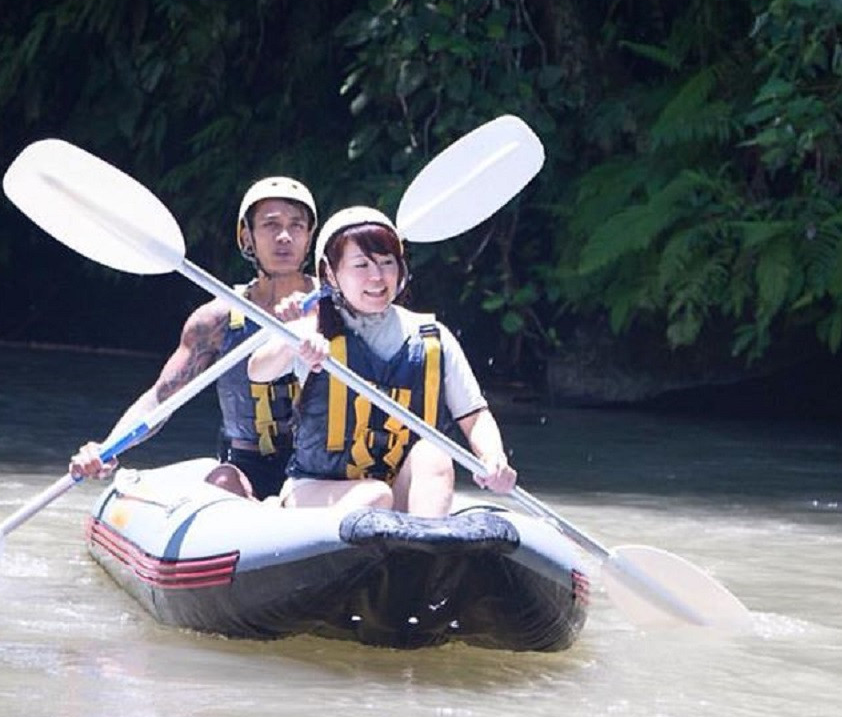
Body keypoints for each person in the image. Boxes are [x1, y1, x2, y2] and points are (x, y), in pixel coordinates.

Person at [247, 206, 517, 517]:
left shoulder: (432, 338)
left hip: (395, 491)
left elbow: (474, 414)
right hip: (315, 491)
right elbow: (258, 371)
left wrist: (494, 457)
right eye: (361, 265)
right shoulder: (312, 329)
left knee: (434, 454)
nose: (377, 277)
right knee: (374, 496)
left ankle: (422, 554)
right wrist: (293, 344)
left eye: (387, 263)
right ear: (331, 274)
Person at [69, 177, 318, 499]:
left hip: (319, 467)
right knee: (225, 481)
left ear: (309, 237)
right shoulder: (217, 320)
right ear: (247, 237)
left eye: (296, 226)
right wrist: (109, 447)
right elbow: (162, 398)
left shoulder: (338, 309)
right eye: (271, 225)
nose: (284, 237)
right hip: (245, 466)